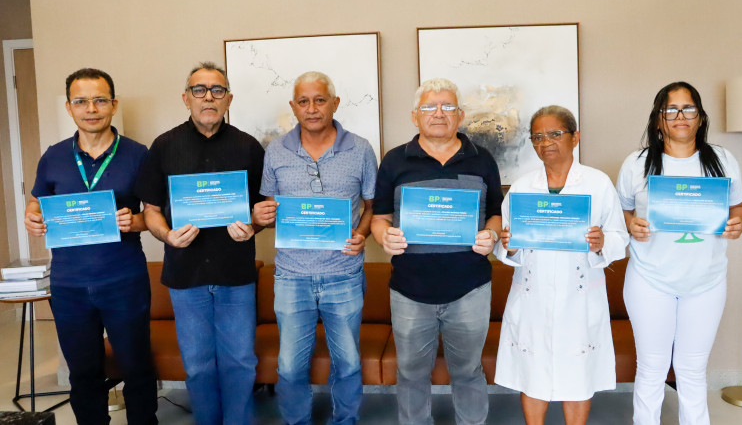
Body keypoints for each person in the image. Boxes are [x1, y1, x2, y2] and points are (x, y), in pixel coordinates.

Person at [24, 68, 157, 424]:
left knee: (137, 368)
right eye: (81, 101)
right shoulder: (53, 156)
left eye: (100, 100)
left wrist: (135, 221)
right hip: (68, 285)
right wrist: (32, 216)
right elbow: (36, 202)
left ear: (114, 105)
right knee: (82, 374)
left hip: (124, 280)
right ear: (69, 107)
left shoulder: (138, 154)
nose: (91, 109)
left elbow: (155, 214)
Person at [136, 62, 265, 424]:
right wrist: (167, 234)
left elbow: (264, 209)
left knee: (241, 362)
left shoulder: (249, 147)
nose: (209, 97)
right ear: (186, 98)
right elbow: (150, 210)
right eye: (199, 90)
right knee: (197, 365)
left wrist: (254, 226)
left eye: (217, 90)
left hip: (235, 274)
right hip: (185, 276)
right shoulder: (163, 146)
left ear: (229, 99)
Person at [371, 78, 502, 425]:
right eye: (429, 106)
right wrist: (384, 236)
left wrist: (491, 233)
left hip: (470, 289)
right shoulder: (395, 160)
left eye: (448, 106)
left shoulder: (482, 159)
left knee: (469, 371)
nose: (439, 113)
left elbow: (496, 212)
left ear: (460, 115)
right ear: (415, 115)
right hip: (410, 290)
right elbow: (379, 217)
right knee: (411, 374)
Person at [616, 82, 742, 425]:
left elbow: (739, 206)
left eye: (688, 108)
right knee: (652, 368)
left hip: (707, 281)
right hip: (649, 279)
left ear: (700, 117)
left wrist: (737, 222)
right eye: (670, 109)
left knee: (692, 370)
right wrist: (631, 224)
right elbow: (621, 211)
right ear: (658, 119)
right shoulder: (637, 164)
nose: (680, 116)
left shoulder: (722, 160)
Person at [252, 71, 377, 424]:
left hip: (344, 274)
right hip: (291, 276)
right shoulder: (276, 150)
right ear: (293, 107)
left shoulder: (361, 149)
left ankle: (345, 421)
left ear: (334, 103)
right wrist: (262, 215)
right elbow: (270, 210)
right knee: (290, 366)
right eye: (303, 101)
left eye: (320, 100)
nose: (312, 108)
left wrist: (361, 234)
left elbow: (372, 206)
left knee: (348, 362)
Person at [493, 105, 628, 425]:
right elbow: (505, 243)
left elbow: (620, 238)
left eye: (555, 134)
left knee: (578, 374)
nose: (546, 142)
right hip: (533, 293)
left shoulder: (597, 183)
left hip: (579, 294)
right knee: (532, 372)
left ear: (575, 137)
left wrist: (601, 242)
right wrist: (509, 245)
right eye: (537, 137)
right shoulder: (522, 187)